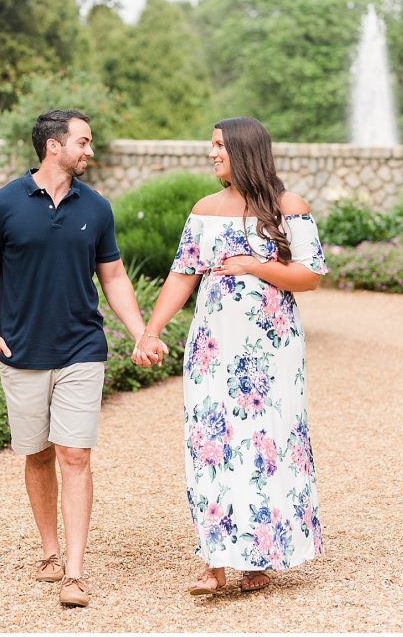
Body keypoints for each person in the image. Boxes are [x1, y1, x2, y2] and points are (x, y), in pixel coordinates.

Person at [0, 109, 161, 608]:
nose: (90, 151)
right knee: (38, 454)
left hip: (82, 348)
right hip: (22, 351)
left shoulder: (96, 208)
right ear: (54, 146)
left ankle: (75, 571)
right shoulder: (2, 204)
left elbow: (114, 277)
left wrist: (141, 332)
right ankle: (50, 552)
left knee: (75, 454)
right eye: (84, 141)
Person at [133, 116, 328, 595]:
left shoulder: (288, 207)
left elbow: (311, 275)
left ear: (244, 150)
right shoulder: (204, 210)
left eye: (220, 145)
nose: (212, 152)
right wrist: (151, 331)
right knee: (212, 443)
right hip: (213, 346)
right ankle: (214, 562)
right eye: (212, 145)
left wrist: (255, 266)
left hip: (271, 350)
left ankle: (258, 557)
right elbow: (182, 274)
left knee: (267, 444)